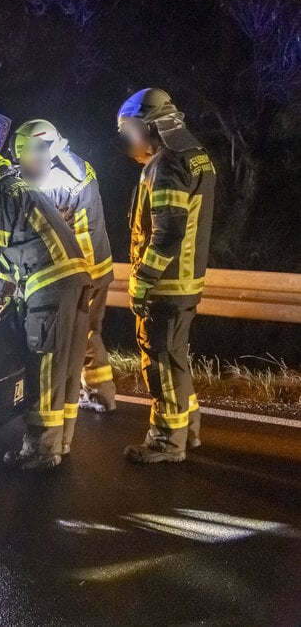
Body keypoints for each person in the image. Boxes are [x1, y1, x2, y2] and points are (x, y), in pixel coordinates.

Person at [0, 148, 91, 470]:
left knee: (42, 366)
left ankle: (41, 451)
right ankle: (60, 442)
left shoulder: (0, 193)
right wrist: (8, 292)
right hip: (74, 281)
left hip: (50, 286)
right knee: (64, 370)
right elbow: (16, 251)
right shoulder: (24, 188)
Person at [116, 88, 216, 463]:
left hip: (166, 285)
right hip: (186, 281)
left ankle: (165, 442)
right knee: (175, 361)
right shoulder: (196, 157)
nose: (128, 141)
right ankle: (187, 431)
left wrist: (142, 281)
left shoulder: (165, 165)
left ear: (147, 126)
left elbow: (167, 233)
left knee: (161, 364)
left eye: (129, 130)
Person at [10, 119, 117, 413]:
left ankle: (75, 398)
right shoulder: (75, 164)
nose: (24, 162)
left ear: (45, 149)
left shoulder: (53, 183)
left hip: (81, 272)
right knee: (89, 331)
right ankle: (101, 392)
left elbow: (38, 229)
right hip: (99, 266)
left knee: (73, 337)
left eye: (28, 155)